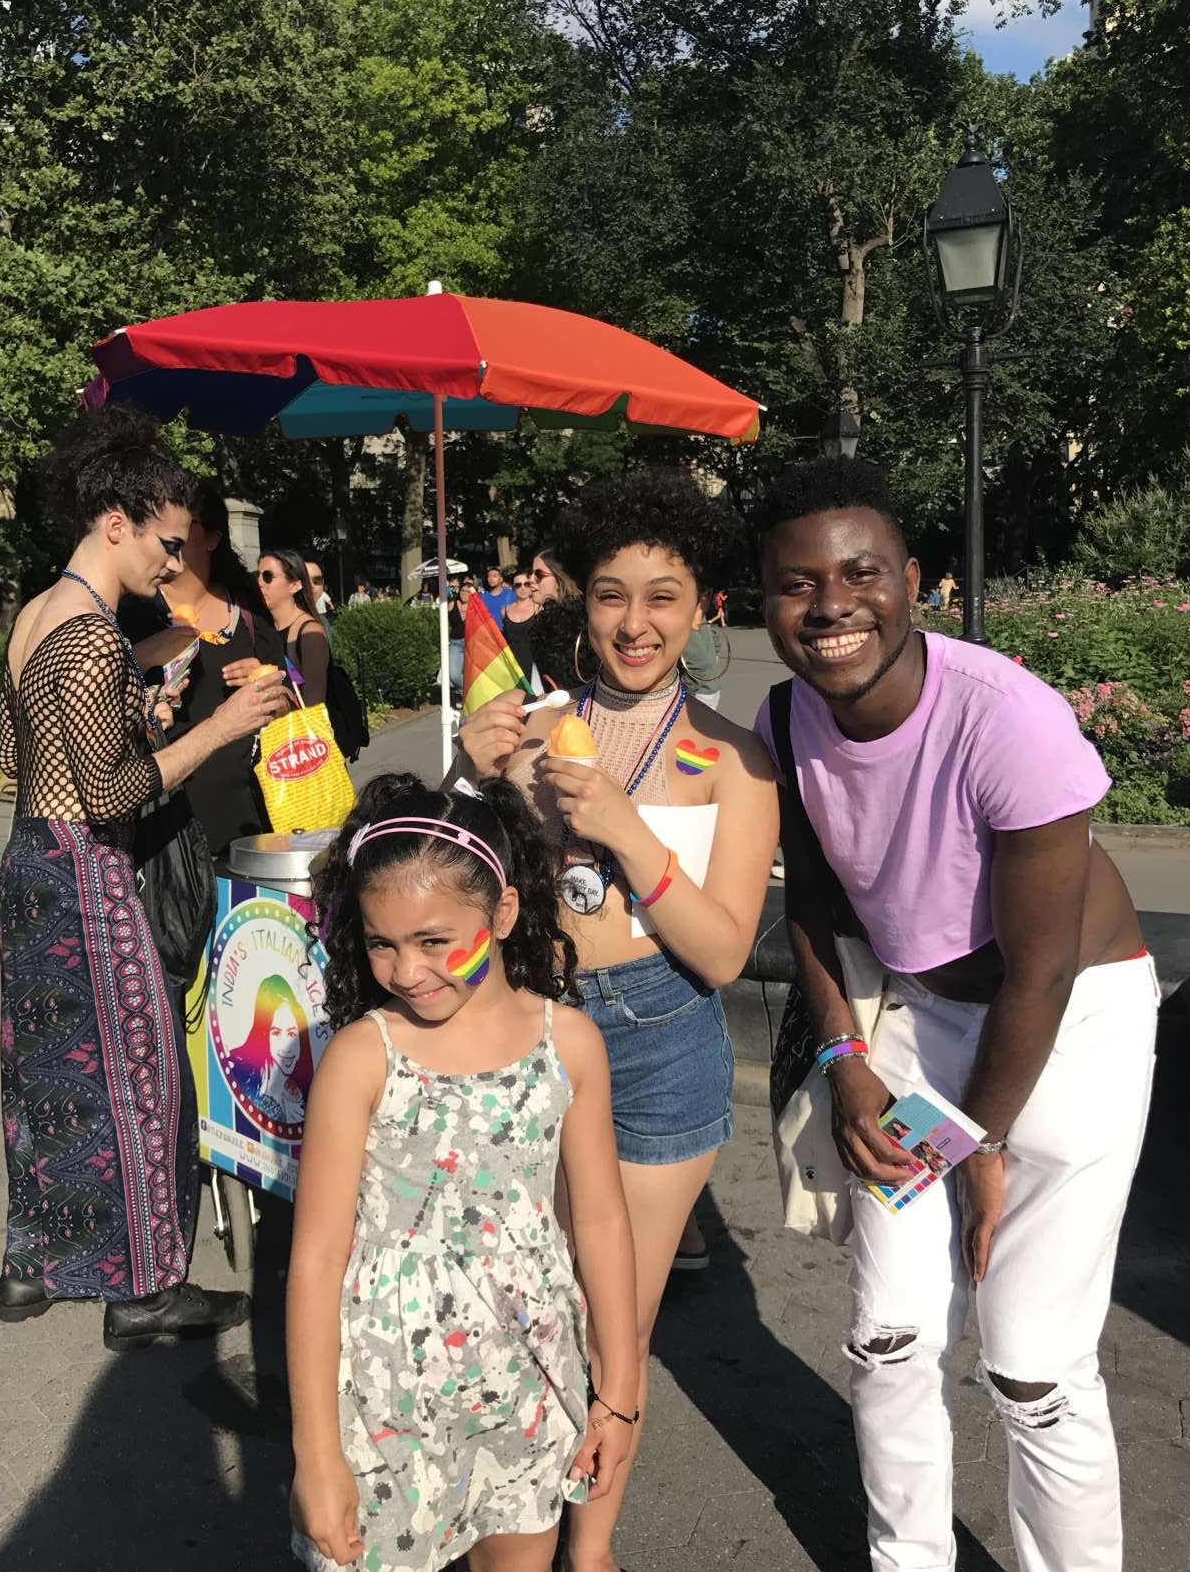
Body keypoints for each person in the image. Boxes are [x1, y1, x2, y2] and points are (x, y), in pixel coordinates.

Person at [756, 457, 1156, 1572]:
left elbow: (1037, 976)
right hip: (913, 1017)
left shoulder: (1007, 721)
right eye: (796, 584)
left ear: (913, 582)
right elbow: (816, 908)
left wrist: (971, 1143)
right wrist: (844, 1060)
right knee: (887, 1337)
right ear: (763, 604)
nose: (831, 605)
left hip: (1070, 1023)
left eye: (860, 572)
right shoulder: (787, 716)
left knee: (1028, 1364)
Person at [458, 469, 779, 1572]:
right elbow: (458, 895)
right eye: (609, 594)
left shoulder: (734, 756)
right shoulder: (534, 729)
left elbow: (726, 948)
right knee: (509, 1303)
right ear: (577, 604)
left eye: (662, 596)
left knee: (609, 1323)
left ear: (701, 610)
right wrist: (470, 776)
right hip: (527, 1031)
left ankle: (585, 1549)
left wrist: (628, 834)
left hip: (658, 1044)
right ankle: (507, 1524)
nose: (633, 623)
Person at [289, 774, 639, 1572]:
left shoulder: (570, 1043)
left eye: (435, 939)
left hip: (527, 1382)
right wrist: (317, 1454)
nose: (408, 970)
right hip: (383, 1405)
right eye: (382, 942)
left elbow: (602, 1220)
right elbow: (315, 1260)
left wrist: (617, 1391)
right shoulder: (360, 1057)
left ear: (503, 913)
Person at [0, 413, 289, 1347]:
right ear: (114, 522)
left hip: (32, 866)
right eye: (167, 542)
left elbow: (17, 753)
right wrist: (222, 721)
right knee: (143, 1071)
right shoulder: (86, 635)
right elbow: (113, 786)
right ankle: (148, 1286)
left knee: (46, 1076)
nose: (174, 561)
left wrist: (151, 672)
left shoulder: (42, 616)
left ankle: (32, 1265)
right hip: (86, 871)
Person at [123, 481, 286, 860]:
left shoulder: (247, 612)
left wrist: (269, 689)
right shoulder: (134, 611)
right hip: (164, 822)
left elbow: (287, 707)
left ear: (212, 537)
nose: (169, 535)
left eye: (185, 524)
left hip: (252, 818)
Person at [231, 978, 315, 1126]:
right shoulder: (237, 1070)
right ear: (264, 1035)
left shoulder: (307, 1095)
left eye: (292, 1034)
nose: (286, 1046)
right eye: (276, 1033)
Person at [258, 548, 330, 709]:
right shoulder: (261, 627)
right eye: (257, 575)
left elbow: (314, 705)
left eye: (268, 577)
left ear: (295, 585)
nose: (260, 582)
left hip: (298, 731)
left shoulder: (310, 633)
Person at [502, 569, 539, 681]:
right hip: (512, 665)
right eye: (518, 585)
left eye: (526, 584)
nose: (522, 588)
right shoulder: (504, 610)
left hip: (534, 665)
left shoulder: (539, 608)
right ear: (513, 588)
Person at [447, 575, 478, 696]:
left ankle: (469, 697)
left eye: (467, 591)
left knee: (472, 674)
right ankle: (464, 692)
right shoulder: (452, 604)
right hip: (455, 643)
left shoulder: (475, 607)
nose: (463, 593)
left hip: (471, 643)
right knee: (454, 675)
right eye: (462, 590)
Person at [305, 558, 334, 630]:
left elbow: (328, 600)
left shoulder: (325, 623)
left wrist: (331, 605)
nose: (312, 586)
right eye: (305, 580)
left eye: (317, 580)